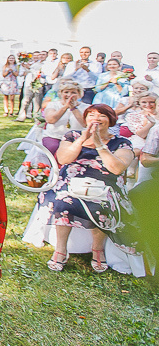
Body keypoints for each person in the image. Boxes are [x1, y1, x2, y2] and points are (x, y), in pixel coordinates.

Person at [33, 105, 139, 273]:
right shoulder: (73, 135)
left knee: (101, 205)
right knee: (62, 202)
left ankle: (98, 249)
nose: (95, 119)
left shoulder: (122, 143)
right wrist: (82, 139)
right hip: (73, 181)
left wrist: (99, 144)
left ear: (110, 120)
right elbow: (63, 158)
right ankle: (60, 250)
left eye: (101, 116)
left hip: (105, 184)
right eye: (91, 115)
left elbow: (117, 169)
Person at [42, 81, 88, 157]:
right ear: (61, 93)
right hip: (55, 136)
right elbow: (50, 120)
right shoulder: (53, 105)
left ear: (79, 94)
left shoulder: (86, 107)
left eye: (73, 92)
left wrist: (73, 108)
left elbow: (85, 124)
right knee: (54, 148)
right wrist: (65, 107)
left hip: (77, 138)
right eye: (66, 92)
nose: (69, 95)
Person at [16, 51, 45, 122]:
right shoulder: (29, 63)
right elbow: (24, 72)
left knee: (37, 102)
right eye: (34, 56)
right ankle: (21, 116)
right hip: (28, 83)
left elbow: (39, 73)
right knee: (25, 100)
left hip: (38, 84)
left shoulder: (42, 64)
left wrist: (29, 68)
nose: (36, 57)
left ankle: (36, 117)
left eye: (38, 55)